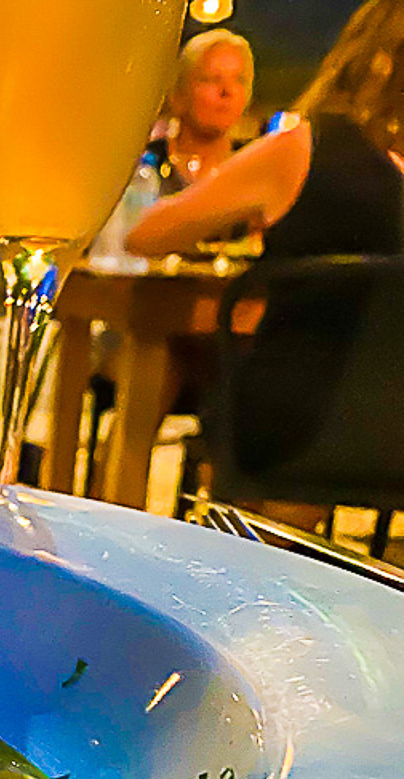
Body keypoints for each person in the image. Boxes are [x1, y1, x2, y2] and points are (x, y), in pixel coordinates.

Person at [127, 0, 404, 492]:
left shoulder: (303, 149)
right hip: (389, 443)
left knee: (183, 367)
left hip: (283, 433)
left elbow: (145, 236)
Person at [146, 29, 255, 198]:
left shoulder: (254, 168)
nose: (227, 91)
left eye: (239, 80)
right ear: (179, 92)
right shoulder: (146, 164)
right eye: (211, 79)